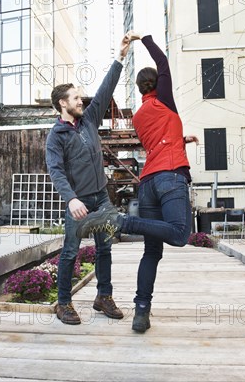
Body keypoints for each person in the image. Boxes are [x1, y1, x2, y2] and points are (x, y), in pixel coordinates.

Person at [76, 32, 198, 333]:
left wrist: (181, 139)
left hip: (149, 183)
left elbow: (157, 143)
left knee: (152, 252)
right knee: (181, 234)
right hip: (170, 177)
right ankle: (121, 222)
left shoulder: (140, 116)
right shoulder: (165, 100)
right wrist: (146, 39)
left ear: (140, 88)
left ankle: (141, 312)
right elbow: (164, 62)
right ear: (157, 85)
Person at [45, 33, 132, 325]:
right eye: (75, 97)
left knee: (105, 248)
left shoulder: (89, 119)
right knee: (70, 252)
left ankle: (102, 297)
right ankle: (64, 303)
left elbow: (106, 89)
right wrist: (70, 199)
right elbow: (55, 170)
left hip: (101, 198)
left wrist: (120, 56)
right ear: (62, 104)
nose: (81, 99)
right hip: (79, 203)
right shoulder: (56, 136)